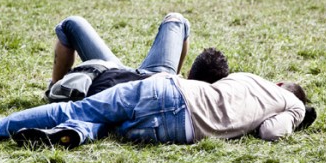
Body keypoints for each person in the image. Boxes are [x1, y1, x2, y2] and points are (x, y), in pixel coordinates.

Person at [0, 71, 316, 148]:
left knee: (82, 109)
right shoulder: (292, 107)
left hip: (169, 88)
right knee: (106, 125)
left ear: (283, 83)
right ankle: (72, 136)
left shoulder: (254, 78)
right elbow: (271, 132)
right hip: (175, 132)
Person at [46, 13, 229, 100]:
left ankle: (55, 87)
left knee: (71, 24)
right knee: (177, 20)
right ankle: (171, 77)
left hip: (121, 81)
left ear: (190, 72)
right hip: (162, 75)